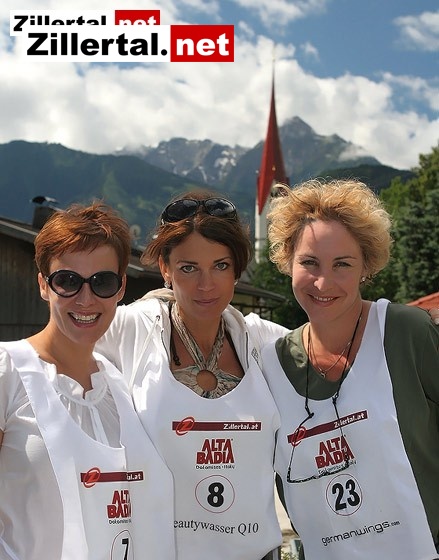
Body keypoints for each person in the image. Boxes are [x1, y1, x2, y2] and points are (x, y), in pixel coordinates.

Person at [96, 190, 289, 560]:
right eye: (188, 268)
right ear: (165, 269)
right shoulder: (128, 330)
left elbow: (335, 356)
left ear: (237, 269)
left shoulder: (263, 341)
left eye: (221, 266)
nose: (206, 284)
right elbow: (49, 361)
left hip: (255, 552)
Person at [261, 178, 439, 559]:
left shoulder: (406, 333)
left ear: (366, 267)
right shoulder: (272, 365)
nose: (323, 281)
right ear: (288, 262)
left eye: (342, 264)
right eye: (309, 262)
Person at [0, 203, 175, 560]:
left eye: (102, 282)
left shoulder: (120, 386)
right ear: (43, 285)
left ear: (121, 287)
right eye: (67, 281)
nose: (85, 299)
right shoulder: (9, 372)